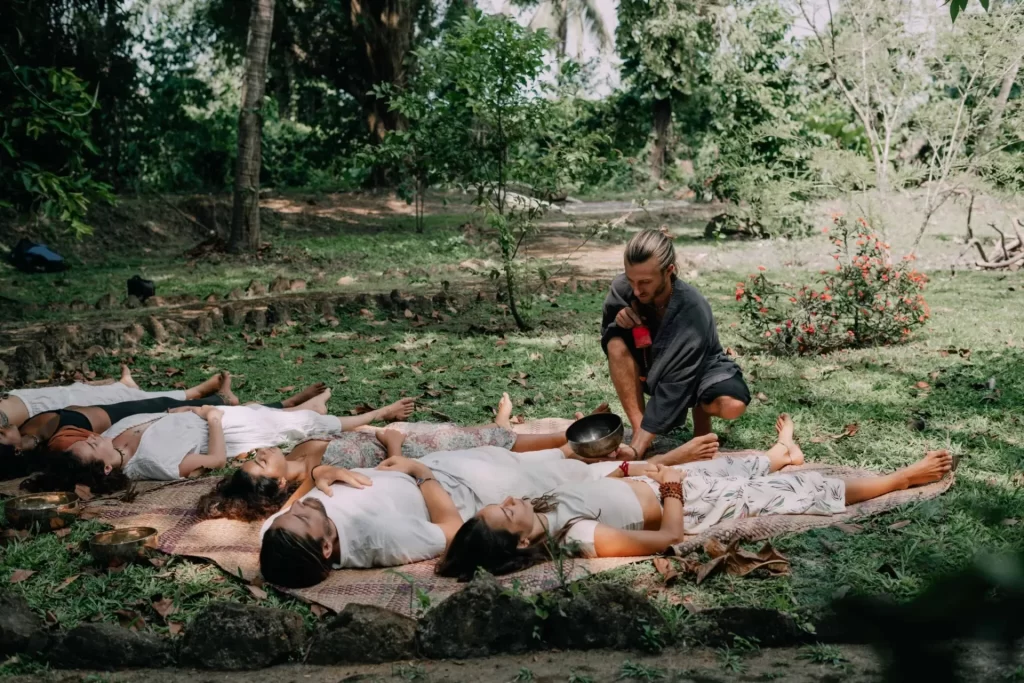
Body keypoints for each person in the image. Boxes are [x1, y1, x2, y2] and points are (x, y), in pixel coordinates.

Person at [435, 416, 955, 580]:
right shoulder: (578, 537)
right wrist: (671, 485)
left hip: (663, 482)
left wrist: (653, 467)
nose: (509, 499)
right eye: (506, 511)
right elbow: (668, 538)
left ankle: (780, 452)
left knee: (727, 464)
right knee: (787, 493)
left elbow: (597, 479)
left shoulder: (543, 505)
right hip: (684, 503)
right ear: (521, 539)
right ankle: (897, 479)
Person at [257, 422, 719, 588]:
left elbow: (292, 507)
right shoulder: (379, 542)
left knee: (546, 466)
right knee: (566, 481)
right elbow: (450, 531)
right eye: (303, 518)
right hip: (459, 486)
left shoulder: (279, 536)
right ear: (324, 550)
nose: (300, 509)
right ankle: (657, 463)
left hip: (446, 466)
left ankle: (644, 462)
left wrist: (317, 476)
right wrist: (421, 473)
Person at [198, 393, 575, 521]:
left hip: (396, 435)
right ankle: (581, 439)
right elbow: (387, 478)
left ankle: (510, 426)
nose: (262, 452)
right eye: (261, 461)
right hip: (410, 452)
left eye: (256, 455)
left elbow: (342, 426)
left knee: (485, 437)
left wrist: (383, 416)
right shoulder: (318, 481)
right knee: (491, 443)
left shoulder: (297, 448)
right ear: (279, 483)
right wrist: (393, 443)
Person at [21, 392, 416, 494]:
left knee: (289, 418)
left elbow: (159, 417)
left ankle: (320, 409)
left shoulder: (109, 436)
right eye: (89, 446)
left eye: (87, 438)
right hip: (227, 429)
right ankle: (380, 415)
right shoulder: (155, 466)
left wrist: (182, 411)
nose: (91, 437)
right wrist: (210, 418)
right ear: (105, 468)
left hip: (207, 414)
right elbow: (213, 460)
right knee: (306, 424)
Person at [601, 229, 750, 459]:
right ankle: (640, 428)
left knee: (732, 405)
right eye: (631, 280)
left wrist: (636, 449)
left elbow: (675, 385)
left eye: (645, 282)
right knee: (615, 345)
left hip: (702, 367)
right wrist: (619, 321)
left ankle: (700, 410)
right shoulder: (623, 289)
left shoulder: (692, 309)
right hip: (652, 365)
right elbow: (608, 335)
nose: (637, 290)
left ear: (669, 271)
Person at [0, 364, 226, 432]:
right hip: (25, 413)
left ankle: (124, 386)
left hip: (20, 405)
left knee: (75, 393)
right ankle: (189, 394)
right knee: (83, 403)